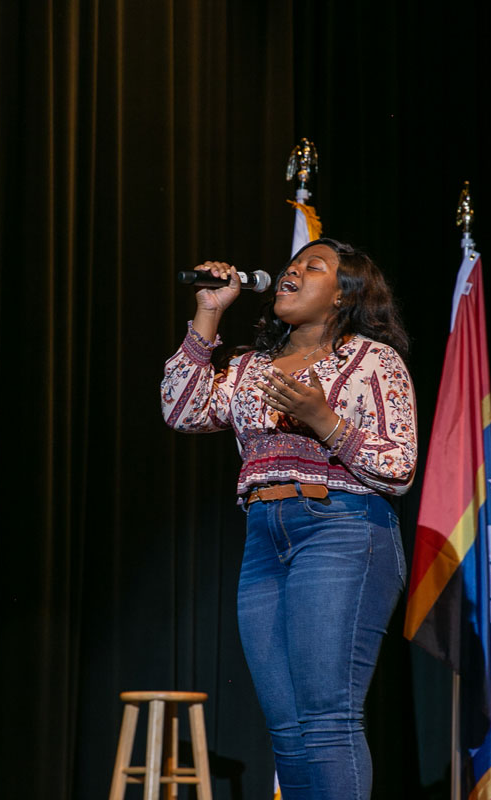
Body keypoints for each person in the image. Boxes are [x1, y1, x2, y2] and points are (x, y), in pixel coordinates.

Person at [161, 238, 417, 800]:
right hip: (264, 536)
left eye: (312, 267)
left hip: (343, 528)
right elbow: (182, 410)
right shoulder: (252, 367)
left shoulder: (373, 361)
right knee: (287, 731)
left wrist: (323, 418)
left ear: (343, 296)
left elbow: (397, 469)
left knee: (326, 719)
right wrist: (208, 311)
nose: (291, 273)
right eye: (291, 266)